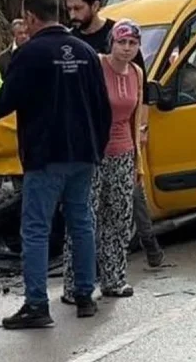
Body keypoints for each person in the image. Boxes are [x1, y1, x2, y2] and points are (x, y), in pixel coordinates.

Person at [0, 0, 112, 328]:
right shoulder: (86, 52)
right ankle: (85, 296)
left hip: (46, 156)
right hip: (82, 154)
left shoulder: (29, 54)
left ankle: (37, 305)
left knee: (36, 229)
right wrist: (96, 148)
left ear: (29, 17)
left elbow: (3, 103)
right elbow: (103, 107)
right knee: (81, 223)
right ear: (57, 11)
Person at [65, 0, 165, 267]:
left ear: (95, 6)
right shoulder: (74, 42)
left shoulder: (120, 35)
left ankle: (149, 244)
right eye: (69, 8)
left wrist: (141, 129)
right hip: (89, 137)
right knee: (91, 202)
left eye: (78, 8)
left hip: (123, 132)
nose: (72, 14)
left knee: (132, 193)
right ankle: (92, 262)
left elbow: (141, 85)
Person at [62, 19, 145, 303]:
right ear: (111, 42)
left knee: (119, 217)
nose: (126, 48)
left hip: (123, 152)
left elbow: (137, 120)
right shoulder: (96, 65)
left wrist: (138, 162)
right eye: (122, 42)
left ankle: (114, 278)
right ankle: (75, 284)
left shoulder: (136, 72)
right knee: (86, 219)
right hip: (92, 153)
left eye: (132, 43)